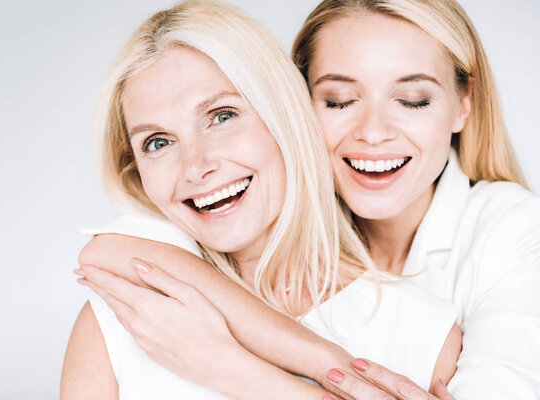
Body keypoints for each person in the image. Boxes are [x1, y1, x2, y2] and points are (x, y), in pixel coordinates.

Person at [60, 1, 461, 399]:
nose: (196, 166)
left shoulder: (422, 334)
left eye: (221, 116)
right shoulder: (125, 315)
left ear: (285, 114)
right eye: (158, 142)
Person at [291, 0, 540, 397]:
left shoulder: (518, 228)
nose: (373, 132)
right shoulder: (269, 231)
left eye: (411, 100)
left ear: (463, 105)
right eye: (339, 100)